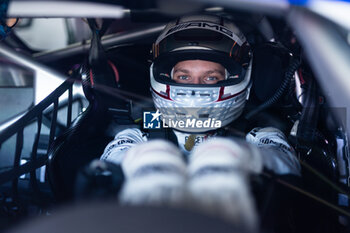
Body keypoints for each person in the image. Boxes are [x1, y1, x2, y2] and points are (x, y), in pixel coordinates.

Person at [98, 14, 301, 232]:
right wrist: (145, 163)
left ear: (237, 77)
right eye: (184, 77)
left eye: (210, 77)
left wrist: (240, 157)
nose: (195, 87)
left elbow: (285, 160)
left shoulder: (256, 129)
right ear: (163, 75)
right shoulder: (148, 125)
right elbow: (115, 153)